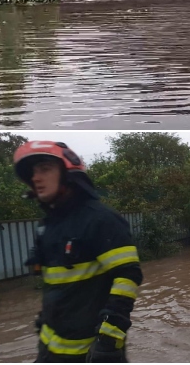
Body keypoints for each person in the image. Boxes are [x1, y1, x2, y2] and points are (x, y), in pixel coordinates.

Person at [13, 140, 142, 363]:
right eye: (33, 172)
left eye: (44, 169)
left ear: (67, 172)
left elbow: (128, 276)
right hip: (50, 350)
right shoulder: (49, 225)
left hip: (92, 353)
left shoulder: (100, 220)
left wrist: (109, 340)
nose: (36, 178)